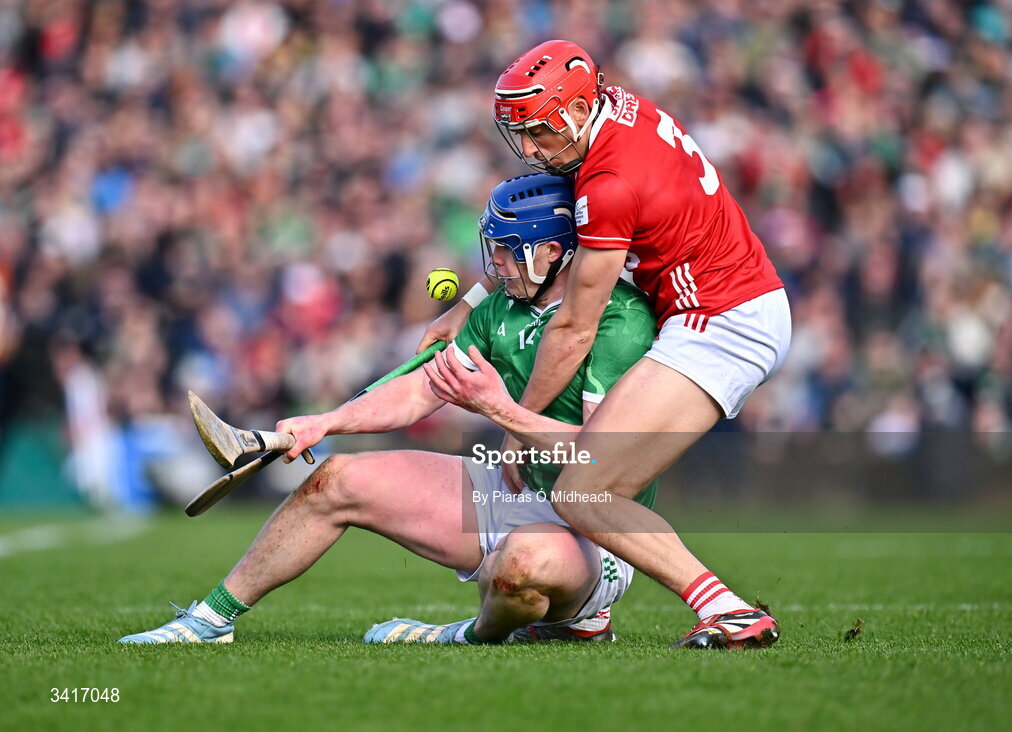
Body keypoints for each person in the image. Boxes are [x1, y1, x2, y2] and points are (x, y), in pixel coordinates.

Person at [118, 173, 658, 645]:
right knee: (335, 480)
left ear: (556, 252)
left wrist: (501, 412)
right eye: (491, 246)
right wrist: (325, 423)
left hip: (593, 522)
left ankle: (468, 634)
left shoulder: (621, 322)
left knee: (521, 567)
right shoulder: (499, 309)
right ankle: (209, 620)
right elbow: (419, 390)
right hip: (514, 491)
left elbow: (598, 455)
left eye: (508, 248)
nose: (492, 263)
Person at [419, 40, 790, 649]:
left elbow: (573, 329)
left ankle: (727, 611)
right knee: (587, 486)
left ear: (571, 113)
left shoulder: (609, 181)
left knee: (582, 491)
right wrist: (470, 302)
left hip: (720, 319)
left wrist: (516, 424)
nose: (530, 150)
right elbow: (554, 233)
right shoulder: (615, 108)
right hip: (728, 305)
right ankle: (604, 615)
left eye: (539, 132)